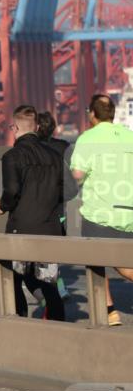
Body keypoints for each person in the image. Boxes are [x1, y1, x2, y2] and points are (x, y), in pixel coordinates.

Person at [0, 105, 65, 320]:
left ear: (14, 127)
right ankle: (59, 323)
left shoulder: (12, 156)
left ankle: (20, 322)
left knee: (13, 279)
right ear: (36, 126)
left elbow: (12, 190)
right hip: (50, 227)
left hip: (20, 228)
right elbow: (67, 192)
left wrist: (2, 206)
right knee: (49, 282)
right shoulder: (55, 156)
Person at [70, 93, 133, 327]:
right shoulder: (130, 136)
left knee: (96, 262)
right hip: (129, 212)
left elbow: (77, 173)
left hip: (100, 212)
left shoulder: (88, 139)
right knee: (127, 266)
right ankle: (108, 310)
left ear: (92, 114)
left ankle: (108, 312)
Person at [36, 111, 73, 302]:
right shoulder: (64, 147)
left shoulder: (31, 148)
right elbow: (73, 176)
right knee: (52, 248)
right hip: (59, 205)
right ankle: (57, 287)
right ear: (53, 128)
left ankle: (52, 290)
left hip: (36, 204)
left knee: (36, 252)